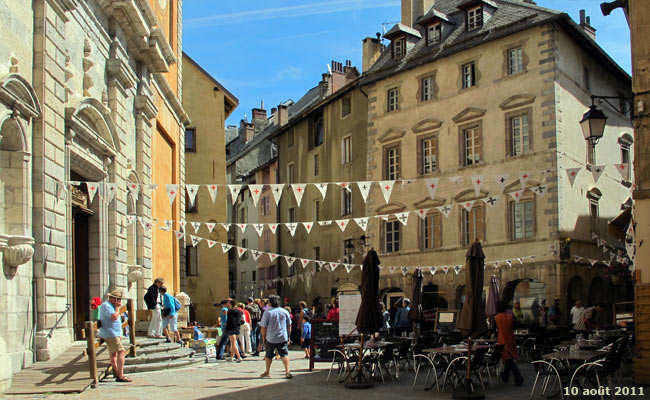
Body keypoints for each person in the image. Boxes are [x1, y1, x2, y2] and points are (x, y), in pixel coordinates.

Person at [99, 289, 131, 383]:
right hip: (110, 333)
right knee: (122, 352)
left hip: (114, 333)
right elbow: (114, 317)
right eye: (119, 299)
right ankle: (120, 375)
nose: (120, 302)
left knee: (114, 353)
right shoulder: (106, 305)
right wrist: (117, 308)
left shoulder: (111, 306)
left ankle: (116, 372)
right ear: (113, 299)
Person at [259, 294, 292, 379]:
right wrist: (288, 336)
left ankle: (267, 371)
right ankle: (287, 371)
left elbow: (263, 327)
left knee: (268, 355)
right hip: (282, 337)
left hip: (270, 337)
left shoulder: (267, 312)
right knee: (284, 354)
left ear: (270, 302)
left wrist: (263, 337)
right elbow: (289, 325)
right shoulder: (285, 311)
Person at [495, 300, 524, 386]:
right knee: (509, 358)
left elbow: (494, 329)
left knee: (508, 359)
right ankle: (505, 376)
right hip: (511, 339)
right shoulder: (511, 316)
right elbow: (516, 326)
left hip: (502, 340)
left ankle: (519, 377)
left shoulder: (496, 318)